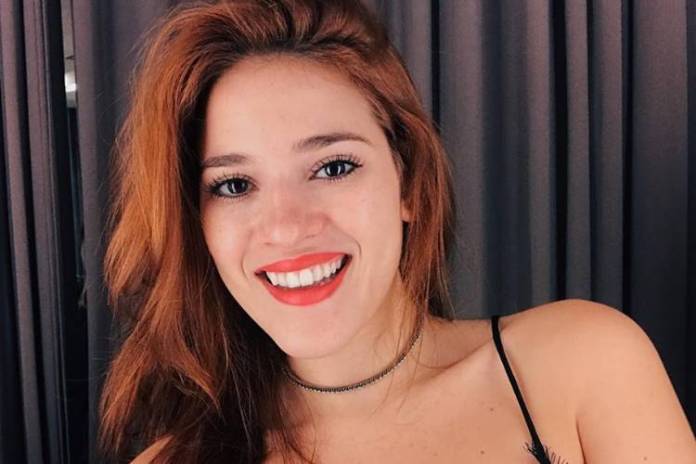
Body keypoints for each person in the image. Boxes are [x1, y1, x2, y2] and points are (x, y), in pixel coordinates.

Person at [99, 0, 696, 462]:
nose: (286, 227)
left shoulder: (581, 366)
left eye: (333, 167)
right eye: (233, 184)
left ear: (407, 183)